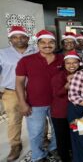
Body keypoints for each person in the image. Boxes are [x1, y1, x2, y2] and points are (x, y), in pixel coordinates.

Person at [15, 30, 63, 162]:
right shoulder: (26, 60)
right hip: (35, 103)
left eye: (51, 42)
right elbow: (19, 83)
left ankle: (54, 148)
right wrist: (22, 103)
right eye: (43, 42)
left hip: (58, 102)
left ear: (55, 44)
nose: (47, 45)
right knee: (36, 132)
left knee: (57, 129)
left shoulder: (62, 59)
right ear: (38, 44)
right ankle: (38, 156)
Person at [0, 26, 36, 161]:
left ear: (27, 38)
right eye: (15, 37)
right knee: (14, 120)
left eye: (22, 37)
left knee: (38, 117)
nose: (19, 40)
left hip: (34, 90)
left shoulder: (36, 51)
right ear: (10, 39)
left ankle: (43, 139)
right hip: (11, 92)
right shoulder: (2, 53)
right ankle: (15, 146)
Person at [51, 50, 81, 162]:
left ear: (79, 63)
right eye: (68, 63)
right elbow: (57, 94)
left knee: (73, 135)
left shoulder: (82, 74)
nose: (72, 65)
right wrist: (66, 86)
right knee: (62, 137)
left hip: (75, 111)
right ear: (64, 64)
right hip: (60, 112)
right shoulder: (58, 76)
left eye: (74, 63)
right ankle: (65, 158)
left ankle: (76, 156)